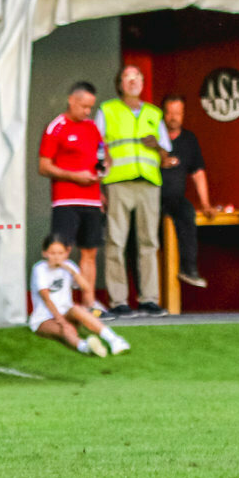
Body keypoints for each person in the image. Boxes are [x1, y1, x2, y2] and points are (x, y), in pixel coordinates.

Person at [94, 65, 174, 318]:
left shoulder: (154, 113)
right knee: (116, 241)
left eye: (137, 76)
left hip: (149, 183)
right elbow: (96, 148)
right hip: (118, 182)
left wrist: (157, 145)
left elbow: (166, 155)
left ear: (142, 82)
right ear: (120, 83)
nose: (133, 80)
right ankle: (119, 301)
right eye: (128, 76)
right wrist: (98, 187)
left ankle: (149, 299)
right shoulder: (107, 110)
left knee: (149, 242)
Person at [38, 81, 106, 315]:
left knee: (90, 252)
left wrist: (103, 170)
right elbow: (44, 166)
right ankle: (60, 303)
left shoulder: (92, 127)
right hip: (66, 200)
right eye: (84, 106)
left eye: (90, 107)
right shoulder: (56, 127)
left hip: (93, 200)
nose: (87, 111)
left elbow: (101, 158)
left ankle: (89, 303)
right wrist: (74, 176)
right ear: (71, 100)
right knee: (61, 252)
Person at [29, 234, 130, 356]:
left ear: (67, 252)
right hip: (44, 319)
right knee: (66, 329)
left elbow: (86, 287)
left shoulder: (69, 265)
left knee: (77, 309)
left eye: (60, 253)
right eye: (52, 253)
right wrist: (61, 321)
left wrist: (70, 270)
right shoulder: (39, 268)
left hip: (66, 312)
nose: (56, 257)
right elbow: (46, 298)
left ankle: (114, 340)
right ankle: (85, 347)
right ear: (44, 253)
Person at [161, 95, 213, 288]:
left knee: (187, 213)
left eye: (177, 113)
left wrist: (206, 204)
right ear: (163, 114)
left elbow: (198, 173)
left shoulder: (189, 139)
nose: (173, 117)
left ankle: (188, 269)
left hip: (175, 199)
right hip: (151, 198)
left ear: (183, 115)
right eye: (169, 112)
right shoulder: (152, 137)